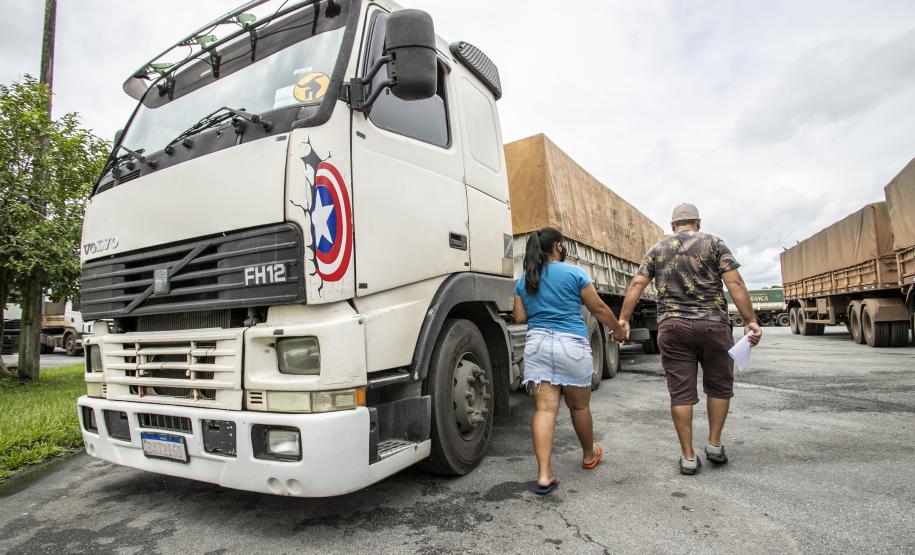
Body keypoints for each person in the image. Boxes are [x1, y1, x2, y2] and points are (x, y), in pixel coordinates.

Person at [618, 203, 762, 475]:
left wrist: (624, 319)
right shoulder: (715, 244)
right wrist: (750, 320)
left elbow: (637, 283)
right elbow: (735, 284)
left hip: (673, 327)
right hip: (713, 325)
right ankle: (715, 445)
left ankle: (687, 456)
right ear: (697, 222)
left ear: (673, 226)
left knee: (680, 392)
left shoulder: (658, 249)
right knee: (719, 385)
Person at [513, 227, 628, 494]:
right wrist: (618, 329)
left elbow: (519, 318)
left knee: (544, 410)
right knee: (579, 407)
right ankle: (589, 455)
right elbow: (598, 308)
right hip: (571, 344)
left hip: (538, 345)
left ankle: (544, 474)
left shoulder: (524, 280)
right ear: (558, 247)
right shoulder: (575, 273)